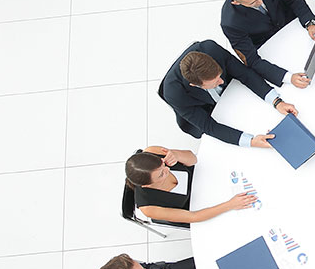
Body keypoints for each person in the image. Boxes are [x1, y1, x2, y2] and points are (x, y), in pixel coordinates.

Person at [159, 40, 299, 148]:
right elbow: (210, 126)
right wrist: (251, 141)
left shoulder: (211, 49)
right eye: (214, 82)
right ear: (195, 85)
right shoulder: (174, 93)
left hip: (236, 94)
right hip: (206, 109)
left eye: (220, 75)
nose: (221, 81)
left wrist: (276, 101)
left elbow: (245, 75)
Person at [221, 0, 315, 88]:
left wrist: (309, 23)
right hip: (269, 45)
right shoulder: (230, 23)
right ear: (236, 2)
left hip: (291, 24)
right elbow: (252, 60)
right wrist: (288, 77)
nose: (259, 1)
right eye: (253, 3)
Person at [124, 146, 259, 228]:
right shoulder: (148, 207)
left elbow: (193, 159)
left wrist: (176, 155)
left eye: (162, 164)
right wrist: (230, 205)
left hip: (206, 176)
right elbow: (194, 216)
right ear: (147, 185)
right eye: (161, 175)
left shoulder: (152, 151)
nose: (167, 169)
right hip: (202, 205)